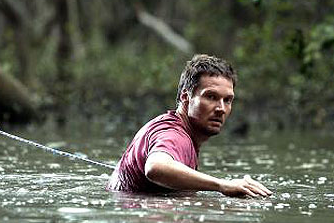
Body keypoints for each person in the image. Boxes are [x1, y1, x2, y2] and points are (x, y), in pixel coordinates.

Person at [107, 54, 272, 198]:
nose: (221, 108)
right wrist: (222, 185)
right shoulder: (175, 136)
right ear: (186, 97)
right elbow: (155, 167)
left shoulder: (172, 126)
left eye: (227, 100)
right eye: (211, 97)